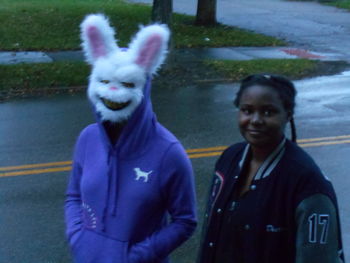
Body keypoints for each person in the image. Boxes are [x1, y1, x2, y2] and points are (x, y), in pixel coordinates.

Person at [65, 14, 197, 263]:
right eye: (105, 82)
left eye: (126, 84)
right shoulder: (87, 138)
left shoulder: (169, 152)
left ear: (143, 88)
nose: (114, 92)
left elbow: (185, 221)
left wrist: (136, 255)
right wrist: (78, 239)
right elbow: (73, 196)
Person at [198, 74, 345, 263]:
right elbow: (210, 234)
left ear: (288, 114)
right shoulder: (229, 159)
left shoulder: (308, 182)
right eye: (247, 110)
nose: (256, 120)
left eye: (268, 112)